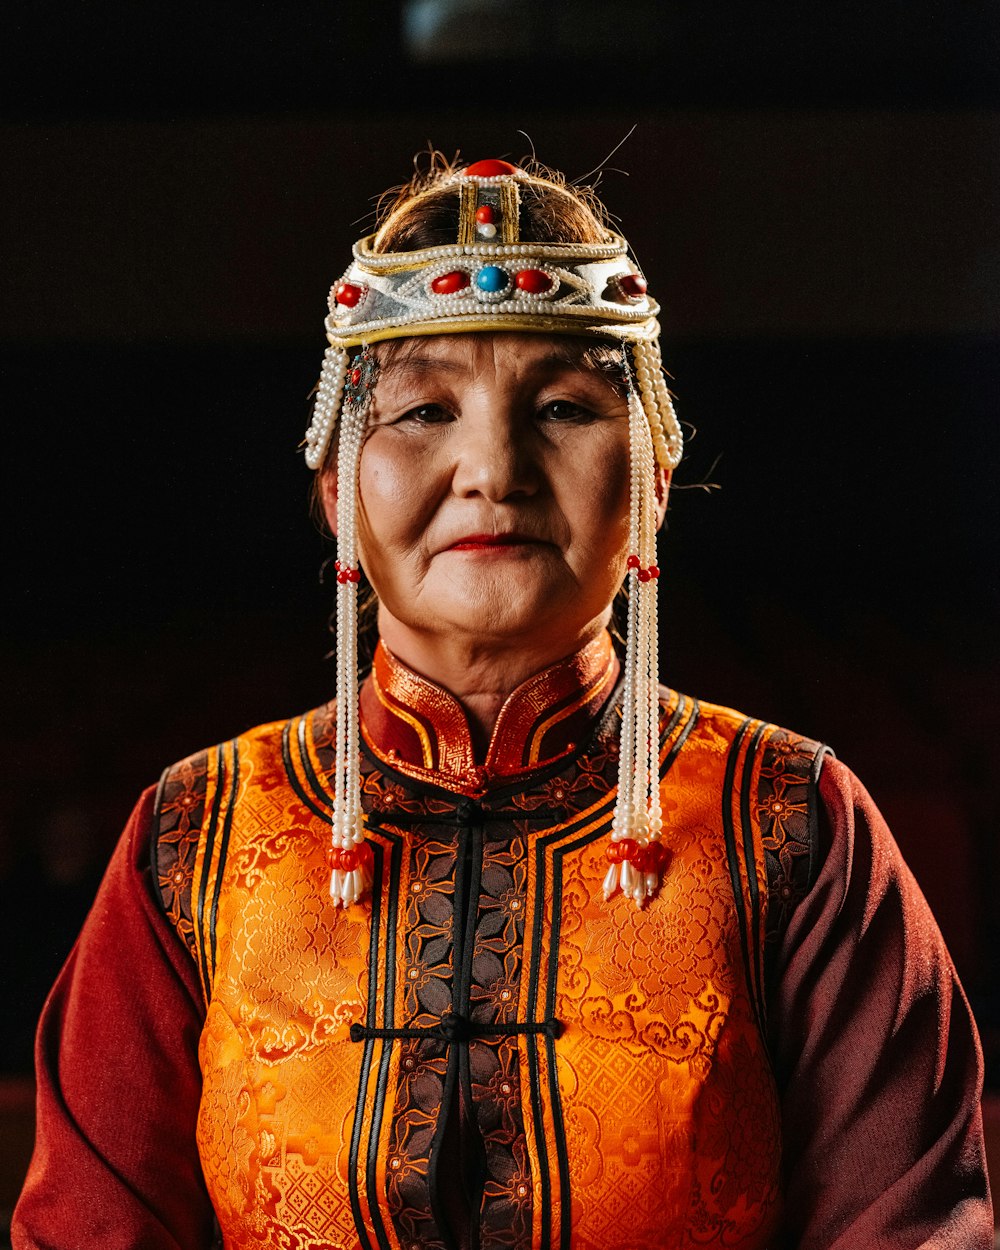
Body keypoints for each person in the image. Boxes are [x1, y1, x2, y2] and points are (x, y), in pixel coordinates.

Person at [13, 155, 993, 1250]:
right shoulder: (193, 836)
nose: (493, 466)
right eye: (425, 408)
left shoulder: (796, 821)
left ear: (652, 481)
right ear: (338, 490)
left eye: (565, 407)